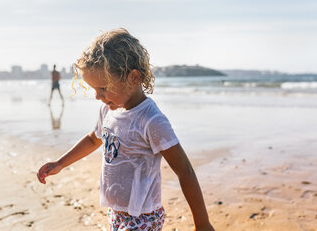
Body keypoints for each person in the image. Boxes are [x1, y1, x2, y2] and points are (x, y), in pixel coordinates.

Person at [37, 28, 214, 231]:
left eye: (103, 88)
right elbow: (93, 140)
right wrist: (61, 163)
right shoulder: (108, 110)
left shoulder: (151, 120)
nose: (97, 96)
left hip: (144, 217)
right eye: (95, 89)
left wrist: (202, 224)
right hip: (116, 212)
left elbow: (185, 171)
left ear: (133, 78)